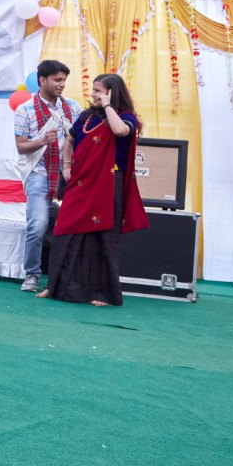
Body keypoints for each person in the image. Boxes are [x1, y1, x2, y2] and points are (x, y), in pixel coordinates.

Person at [37, 73, 148, 306]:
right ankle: (53, 286)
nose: (93, 94)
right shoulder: (87, 117)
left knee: (101, 237)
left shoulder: (126, 118)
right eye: (94, 90)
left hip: (108, 183)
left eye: (98, 91)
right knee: (63, 230)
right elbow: (69, 141)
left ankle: (101, 293)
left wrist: (108, 106)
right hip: (81, 181)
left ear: (111, 93)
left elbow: (120, 131)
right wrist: (67, 166)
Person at [14, 60, 81, 292]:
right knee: (37, 225)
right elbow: (21, 147)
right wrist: (42, 141)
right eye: (57, 80)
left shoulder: (73, 107)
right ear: (42, 80)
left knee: (76, 224)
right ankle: (32, 274)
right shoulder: (25, 110)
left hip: (69, 171)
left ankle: (70, 274)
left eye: (64, 80)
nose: (62, 84)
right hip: (39, 172)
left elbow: (80, 140)